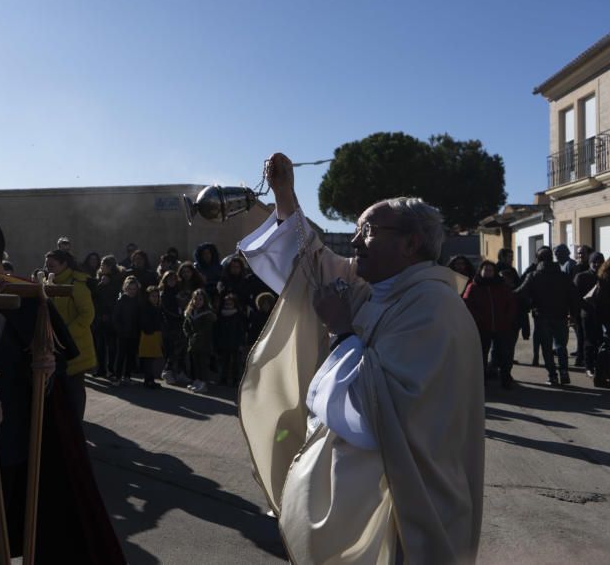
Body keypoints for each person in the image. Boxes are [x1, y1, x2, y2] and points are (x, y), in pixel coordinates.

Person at [238, 153, 483, 564]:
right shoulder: (378, 286)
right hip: (367, 500)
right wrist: (284, 198)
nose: (353, 242)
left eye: (366, 231)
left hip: (403, 509)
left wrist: (342, 332)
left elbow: (374, 413)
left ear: (410, 243)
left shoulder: (431, 307)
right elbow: (311, 266)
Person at [0, 215, 125, 564]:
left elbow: (50, 373)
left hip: (15, 444)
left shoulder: (29, 296)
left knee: (12, 537)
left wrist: (49, 371)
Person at [515, 246, 581, 386]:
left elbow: (520, 293)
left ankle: (552, 375)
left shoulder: (533, 276)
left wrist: (529, 301)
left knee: (546, 347)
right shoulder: (563, 276)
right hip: (561, 315)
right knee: (561, 346)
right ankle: (564, 372)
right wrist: (573, 314)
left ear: (538, 259)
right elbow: (573, 296)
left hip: (542, 315)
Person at [46, 249, 96, 424]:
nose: (48, 268)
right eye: (47, 265)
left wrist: (66, 333)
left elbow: (87, 315)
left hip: (77, 347)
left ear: (64, 264)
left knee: (75, 389)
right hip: (57, 346)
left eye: (52, 265)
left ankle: (76, 424)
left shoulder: (77, 284)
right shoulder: (49, 283)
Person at [462, 261, 519, 389]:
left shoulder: (501, 286)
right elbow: (467, 305)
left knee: (504, 354)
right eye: (485, 270)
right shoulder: (473, 286)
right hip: (482, 328)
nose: (488, 272)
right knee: (481, 355)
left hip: (501, 327)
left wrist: (507, 319)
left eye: (490, 270)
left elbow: (511, 304)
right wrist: (478, 319)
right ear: (480, 271)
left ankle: (505, 378)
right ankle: (481, 381)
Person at [93, 256, 125, 377]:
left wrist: (109, 314)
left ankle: (111, 369)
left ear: (110, 266)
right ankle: (101, 369)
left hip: (112, 317)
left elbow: (114, 298)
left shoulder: (117, 279)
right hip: (99, 316)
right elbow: (95, 296)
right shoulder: (100, 278)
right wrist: (101, 284)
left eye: (103, 264)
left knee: (111, 346)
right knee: (99, 345)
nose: (101, 266)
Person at [158, 271, 190, 386]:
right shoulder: (163, 294)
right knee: (172, 350)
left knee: (181, 350)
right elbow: (168, 310)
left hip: (180, 325)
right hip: (169, 326)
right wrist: (180, 313)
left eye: (174, 279)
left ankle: (180, 372)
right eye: (169, 279)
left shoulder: (179, 292)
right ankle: (167, 370)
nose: (172, 281)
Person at [576, 252, 604, 376]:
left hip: (602, 314)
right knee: (588, 341)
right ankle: (589, 367)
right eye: (594, 262)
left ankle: (600, 366)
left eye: (599, 262)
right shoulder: (581, 277)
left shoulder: (605, 277)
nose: (597, 264)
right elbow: (575, 297)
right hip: (586, 314)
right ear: (590, 262)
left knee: (601, 341)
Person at [183, 288, 215, 394]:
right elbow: (186, 326)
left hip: (204, 343)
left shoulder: (207, 314)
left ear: (204, 301)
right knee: (194, 363)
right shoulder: (190, 312)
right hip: (193, 343)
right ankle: (197, 380)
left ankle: (203, 383)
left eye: (200, 299)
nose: (197, 301)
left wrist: (197, 335)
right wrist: (189, 335)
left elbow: (206, 329)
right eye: (195, 299)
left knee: (203, 364)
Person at [111, 276, 143, 386]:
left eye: (134, 289)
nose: (132, 291)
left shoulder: (138, 300)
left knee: (131, 355)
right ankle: (117, 376)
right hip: (123, 333)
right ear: (125, 288)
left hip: (134, 333)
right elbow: (115, 318)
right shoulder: (121, 301)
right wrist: (120, 331)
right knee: (121, 356)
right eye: (130, 289)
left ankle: (127, 376)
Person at [214, 292, 247, 387]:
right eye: (226, 303)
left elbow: (241, 331)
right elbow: (217, 330)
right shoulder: (221, 315)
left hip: (235, 343)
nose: (228, 305)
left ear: (234, 303)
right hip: (224, 342)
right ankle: (223, 378)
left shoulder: (238, 315)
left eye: (230, 303)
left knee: (236, 363)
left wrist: (241, 343)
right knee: (224, 362)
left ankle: (236, 380)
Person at [571, 246, 595, 364]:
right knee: (580, 334)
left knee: (589, 335)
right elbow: (570, 288)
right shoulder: (575, 268)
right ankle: (580, 357)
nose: (580, 256)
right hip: (578, 307)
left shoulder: (592, 268)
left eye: (582, 253)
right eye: (579, 253)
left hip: (592, 307)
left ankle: (588, 358)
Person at [138, 287, 164, 389]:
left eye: (157, 296)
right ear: (148, 297)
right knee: (148, 358)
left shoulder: (157, 307)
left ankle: (150, 379)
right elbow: (144, 322)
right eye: (153, 296)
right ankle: (148, 380)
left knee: (151, 358)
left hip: (155, 334)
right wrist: (149, 330)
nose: (155, 298)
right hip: (149, 335)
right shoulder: (146, 307)